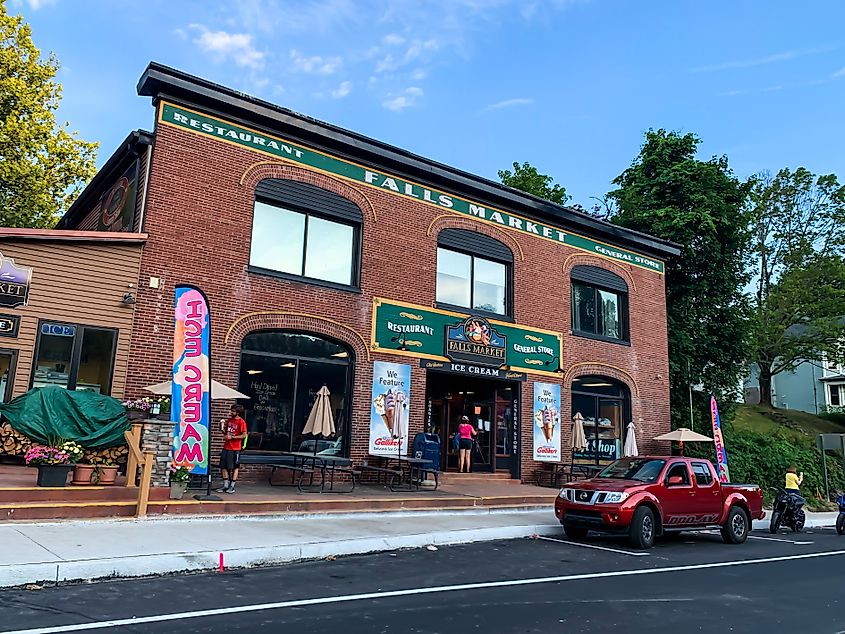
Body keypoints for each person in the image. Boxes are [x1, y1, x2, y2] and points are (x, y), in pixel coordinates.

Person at [216, 405, 247, 494]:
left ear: (238, 412)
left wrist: (232, 437)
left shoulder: (241, 422)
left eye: (233, 411)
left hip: (235, 448)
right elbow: (225, 433)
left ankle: (232, 486)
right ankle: (225, 485)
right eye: (231, 411)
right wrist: (221, 427)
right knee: (223, 466)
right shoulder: (229, 420)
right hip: (226, 447)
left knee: (234, 467)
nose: (231, 413)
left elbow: (244, 435)